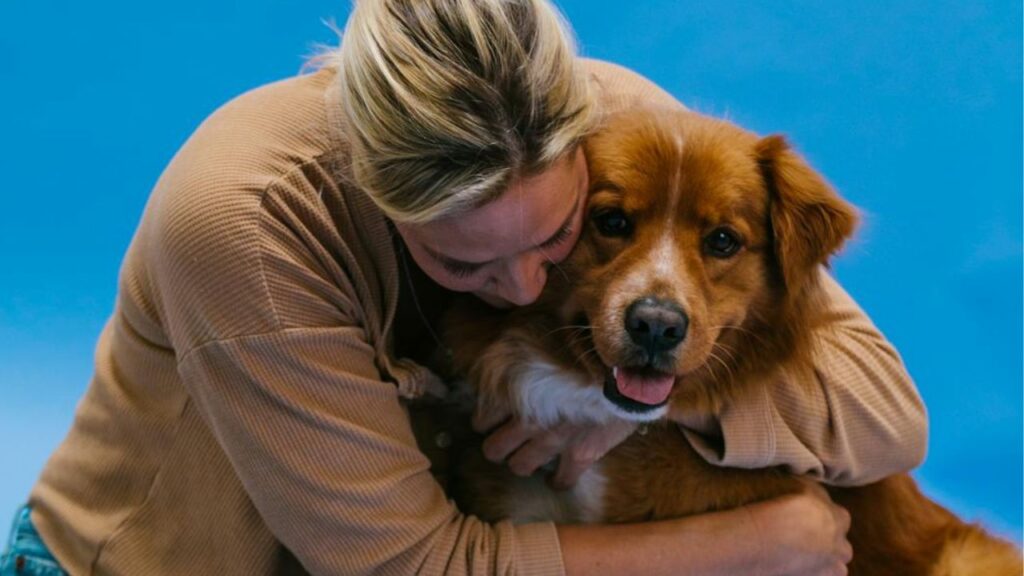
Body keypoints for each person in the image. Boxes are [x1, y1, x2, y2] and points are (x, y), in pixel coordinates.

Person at [0, 1, 927, 575]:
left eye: (558, 236)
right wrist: (760, 545)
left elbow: (887, 409)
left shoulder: (623, 126)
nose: (523, 289)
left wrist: (630, 403)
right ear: (371, 188)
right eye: (463, 267)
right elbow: (407, 566)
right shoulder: (244, 221)